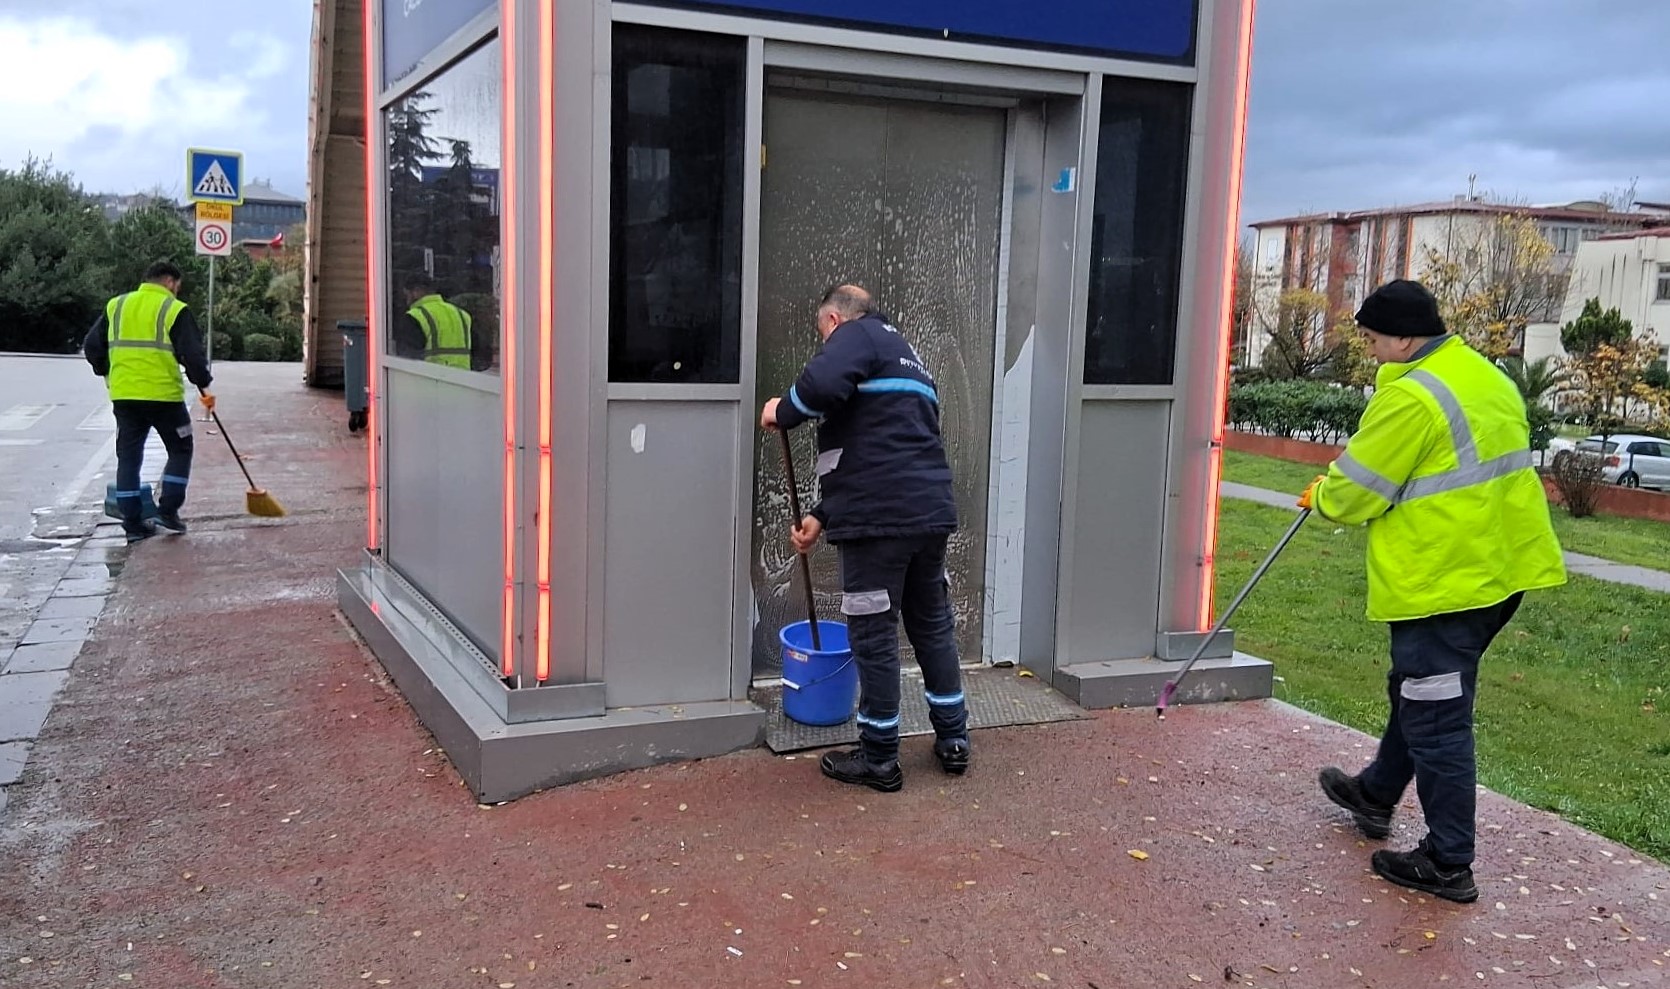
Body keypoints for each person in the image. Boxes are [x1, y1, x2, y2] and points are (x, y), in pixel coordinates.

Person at [1301, 279, 1566, 903]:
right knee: (1418, 691)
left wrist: (1323, 495)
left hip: (1445, 583)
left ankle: (1449, 862)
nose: (1371, 351)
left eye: (1373, 340)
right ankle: (1375, 792)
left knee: (1437, 718)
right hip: (1500, 572)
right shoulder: (1485, 376)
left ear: (1403, 338)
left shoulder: (1413, 397)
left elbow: (1356, 493)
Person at [760, 284, 970, 793]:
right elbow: (880, 447)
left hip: (880, 522)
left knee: (873, 635)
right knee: (931, 624)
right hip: (926, 515)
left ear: (834, 320)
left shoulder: (857, 335)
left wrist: (781, 410)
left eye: (823, 335)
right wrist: (822, 514)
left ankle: (879, 759)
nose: (826, 344)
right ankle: (953, 740)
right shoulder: (909, 360)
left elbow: (821, 385)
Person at [83, 261, 215, 544]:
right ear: (169, 282)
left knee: (129, 457)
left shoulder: (116, 305)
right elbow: (192, 354)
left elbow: (92, 346)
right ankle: (168, 510)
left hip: (125, 396)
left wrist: (107, 370)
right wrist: (202, 381)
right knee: (180, 448)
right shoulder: (175, 309)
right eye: (177, 286)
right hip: (164, 397)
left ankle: (132, 523)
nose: (177, 291)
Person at [391, 273, 488, 371]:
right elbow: (478, 354)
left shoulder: (415, 316)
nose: (406, 301)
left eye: (407, 295)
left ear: (416, 292)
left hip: (430, 377)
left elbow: (408, 359)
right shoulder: (462, 314)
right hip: (462, 378)